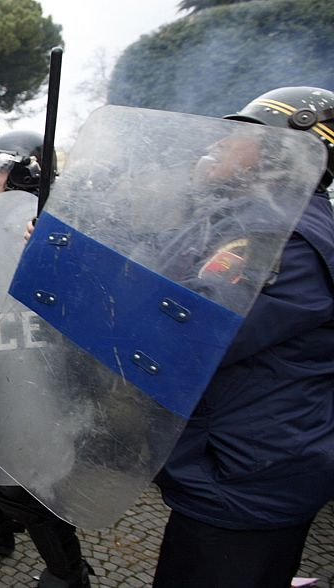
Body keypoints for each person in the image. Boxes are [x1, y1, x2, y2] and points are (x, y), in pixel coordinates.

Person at [150, 86, 334, 588]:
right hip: (230, 471)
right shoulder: (244, 219)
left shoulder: (283, 241)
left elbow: (187, 335)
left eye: (241, 135)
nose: (221, 143)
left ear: (280, 155)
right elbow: (165, 273)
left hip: (245, 483)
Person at [0, 130, 92, 588]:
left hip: (39, 373)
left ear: (25, 174)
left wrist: (50, 254)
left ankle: (69, 572)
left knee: (28, 483)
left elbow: (78, 306)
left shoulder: (62, 225)